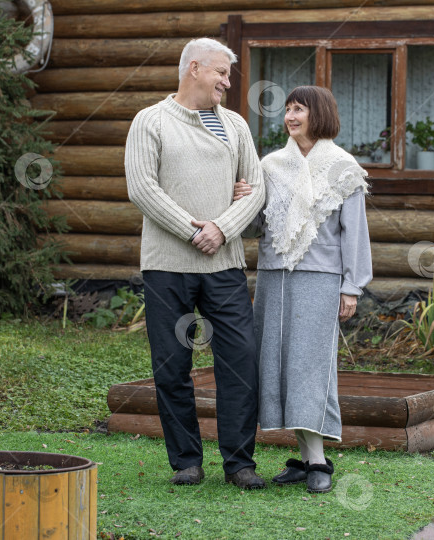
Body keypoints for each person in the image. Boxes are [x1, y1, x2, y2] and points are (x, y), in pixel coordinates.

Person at [125, 38, 267, 489]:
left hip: (224, 266)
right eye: (221, 73)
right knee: (172, 364)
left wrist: (221, 229)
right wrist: (194, 230)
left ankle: (239, 463)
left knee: (240, 361)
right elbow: (143, 188)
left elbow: (256, 188)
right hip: (167, 267)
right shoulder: (151, 121)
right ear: (193, 69)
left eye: (228, 75)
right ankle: (186, 460)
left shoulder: (235, 126)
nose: (228, 82)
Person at [235, 86, 372, 493]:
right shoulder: (272, 165)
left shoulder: (343, 167)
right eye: (289, 110)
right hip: (275, 275)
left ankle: (317, 462)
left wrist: (352, 287)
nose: (291, 116)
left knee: (310, 366)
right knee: (279, 364)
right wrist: (244, 200)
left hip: (322, 279)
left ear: (320, 114)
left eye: (300, 109)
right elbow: (256, 227)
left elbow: (355, 234)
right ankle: (306, 456)